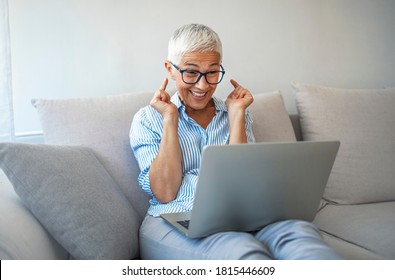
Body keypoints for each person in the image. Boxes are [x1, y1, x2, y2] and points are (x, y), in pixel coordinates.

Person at [130, 23, 342, 260]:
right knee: (240, 250)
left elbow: (242, 184)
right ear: (170, 69)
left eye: (212, 72)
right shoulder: (148, 119)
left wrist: (237, 116)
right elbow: (165, 192)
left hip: (239, 216)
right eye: (191, 72)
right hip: (173, 218)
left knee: (301, 235)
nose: (203, 85)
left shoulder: (235, 113)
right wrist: (170, 118)